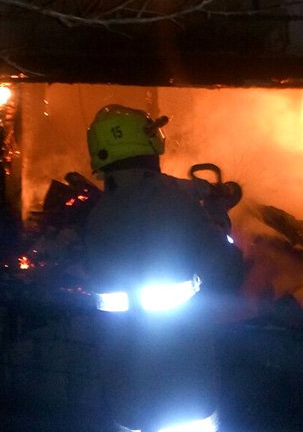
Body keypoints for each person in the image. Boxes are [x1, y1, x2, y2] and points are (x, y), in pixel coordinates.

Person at [83, 104, 243, 432]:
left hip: (124, 387)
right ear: (150, 141)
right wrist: (217, 219)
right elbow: (227, 272)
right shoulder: (175, 204)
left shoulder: (98, 215)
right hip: (181, 380)